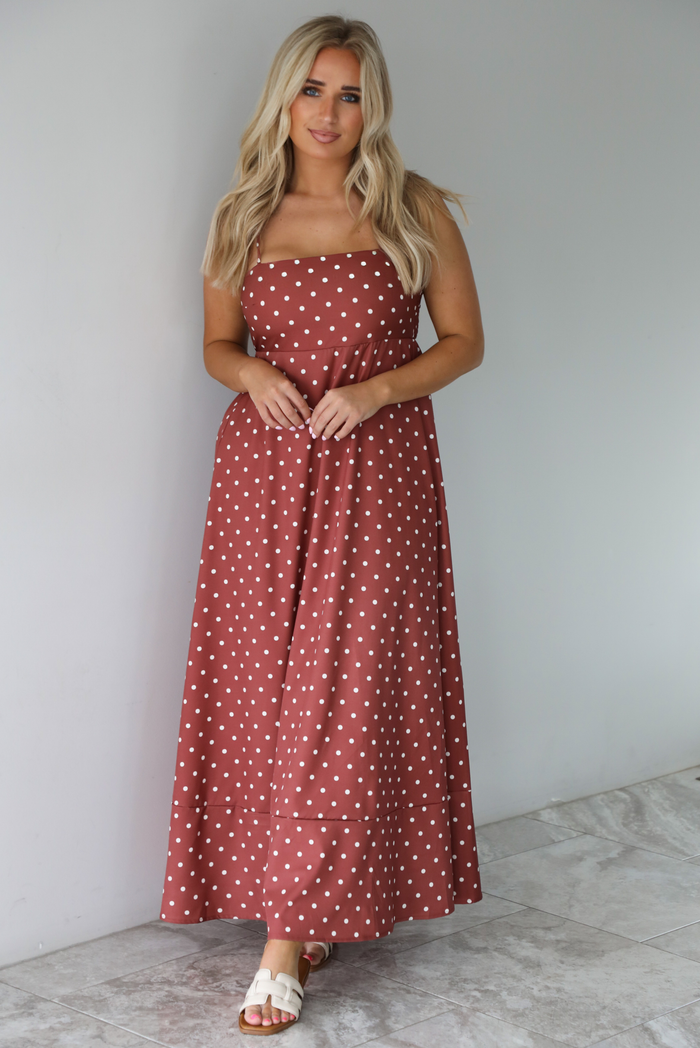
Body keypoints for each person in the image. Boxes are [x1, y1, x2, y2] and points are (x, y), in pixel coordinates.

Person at [160, 14, 485, 1035]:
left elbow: (466, 341)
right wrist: (250, 370)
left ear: (371, 104)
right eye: (313, 90)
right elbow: (218, 344)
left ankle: (280, 946)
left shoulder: (413, 204)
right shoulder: (241, 215)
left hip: (378, 473)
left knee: (340, 702)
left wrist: (381, 387)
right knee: (267, 695)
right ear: (282, 98)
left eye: (349, 94)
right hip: (261, 477)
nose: (330, 113)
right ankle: (311, 906)